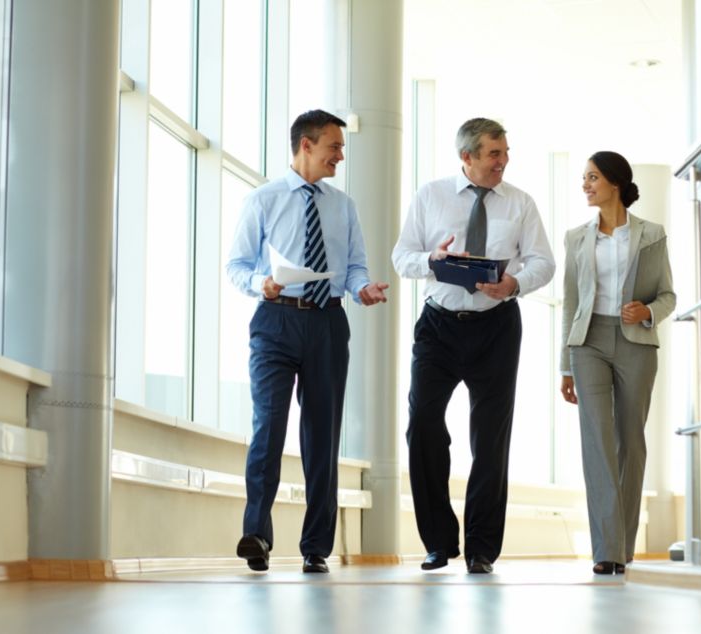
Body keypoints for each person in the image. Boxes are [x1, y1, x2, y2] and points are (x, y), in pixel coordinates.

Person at [225, 109, 389, 574]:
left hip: (328, 325)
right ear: (306, 146)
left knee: (322, 436)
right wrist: (262, 284)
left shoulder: (344, 205)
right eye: (334, 147)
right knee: (268, 427)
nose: (340, 155)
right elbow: (237, 265)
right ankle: (257, 534)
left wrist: (363, 288)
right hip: (275, 321)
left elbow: (355, 265)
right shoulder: (264, 199)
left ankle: (315, 546)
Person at [392, 117, 556, 574]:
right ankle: (438, 541)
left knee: (490, 438)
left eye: (505, 153)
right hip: (439, 327)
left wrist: (515, 283)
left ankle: (481, 548)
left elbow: (544, 261)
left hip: (497, 328)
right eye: (494, 154)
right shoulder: (431, 196)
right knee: (423, 423)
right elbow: (401, 256)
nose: (503, 161)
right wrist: (433, 259)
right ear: (467, 157)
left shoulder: (520, 203)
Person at [559, 151, 675, 575]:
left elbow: (668, 295)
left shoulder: (651, 234)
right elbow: (571, 303)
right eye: (584, 178)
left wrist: (645, 311)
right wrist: (565, 365)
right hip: (587, 343)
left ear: (615, 183)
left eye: (592, 178)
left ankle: (621, 544)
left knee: (631, 441)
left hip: (636, 345)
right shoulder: (576, 237)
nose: (586, 185)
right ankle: (606, 550)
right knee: (597, 442)